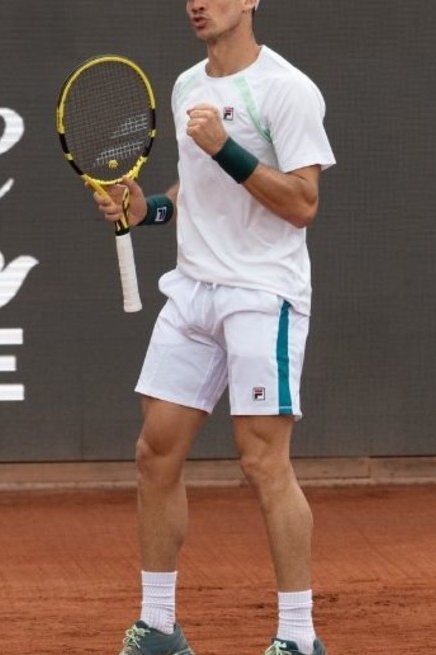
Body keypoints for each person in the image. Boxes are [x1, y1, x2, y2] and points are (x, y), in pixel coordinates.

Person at [92, 1, 335, 654]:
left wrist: (224, 147)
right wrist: (148, 209)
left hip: (262, 294)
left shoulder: (287, 90)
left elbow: (303, 202)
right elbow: (194, 191)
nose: (197, 3)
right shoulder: (184, 88)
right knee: (154, 452)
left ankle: (298, 637)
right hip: (192, 293)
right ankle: (160, 629)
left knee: (263, 462)